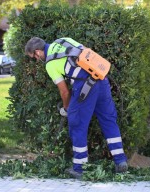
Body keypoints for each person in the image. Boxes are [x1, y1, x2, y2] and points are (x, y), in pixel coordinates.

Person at [25, 37, 128, 178]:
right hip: (101, 79)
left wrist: (67, 109)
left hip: (85, 87)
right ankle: (121, 161)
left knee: (77, 124)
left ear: (38, 52)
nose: (36, 60)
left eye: (34, 57)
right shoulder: (63, 40)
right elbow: (88, 53)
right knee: (109, 120)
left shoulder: (50, 63)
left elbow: (64, 91)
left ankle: (80, 168)